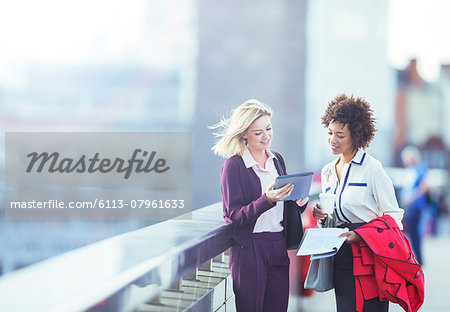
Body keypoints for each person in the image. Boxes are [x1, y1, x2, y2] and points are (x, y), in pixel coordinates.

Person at [211, 99, 309, 312]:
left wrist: (299, 202)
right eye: (258, 133)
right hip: (249, 249)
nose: (266, 136)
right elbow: (234, 216)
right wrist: (268, 199)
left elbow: (284, 206)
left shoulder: (277, 160)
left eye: (268, 128)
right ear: (244, 134)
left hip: (278, 244)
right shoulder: (234, 165)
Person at [313, 94, 405, 312]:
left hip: (370, 253)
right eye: (330, 133)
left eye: (340, 135)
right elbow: (334, 213)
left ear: (356, 136)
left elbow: (394, 215)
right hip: (340, 252)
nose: (332, 140)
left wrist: (362, 235)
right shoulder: (327, 171)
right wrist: (323, 218)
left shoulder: (372, 168)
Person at [400, 145, 428, 265]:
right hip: (410, 206)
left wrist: (411, 198)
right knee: (412, 233)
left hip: (415, 206)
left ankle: (418, 258)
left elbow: (424, 187)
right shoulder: (411, 170)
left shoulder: (419, 169)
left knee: (414, 233)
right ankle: (416, 257)